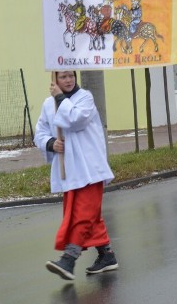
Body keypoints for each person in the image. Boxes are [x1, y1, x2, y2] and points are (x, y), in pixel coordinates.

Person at [35, 71, 118, 280]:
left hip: (90, 168)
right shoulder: (48, 104)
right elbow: (40, 132)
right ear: (55, 79)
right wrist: (51, 143)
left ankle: (69, 260)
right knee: (90, 215)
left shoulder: (85, 98)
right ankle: (107, 255)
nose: (69, 80)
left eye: (71, 75)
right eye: (63, 77)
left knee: (83, 215)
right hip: (69, 170)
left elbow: (76, 120)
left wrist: (60, 98)